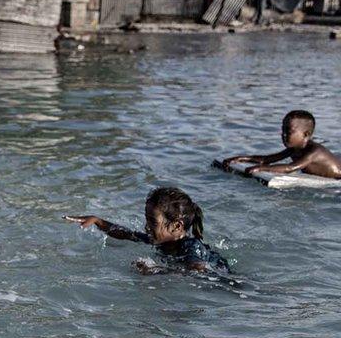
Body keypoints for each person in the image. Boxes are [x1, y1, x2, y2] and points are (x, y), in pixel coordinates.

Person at [66, 187, 229, 273]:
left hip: (224, 285)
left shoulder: (191, 246)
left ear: (177, 226)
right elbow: (127, 234)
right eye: (147, 219)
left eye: (152, 221)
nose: (146, 226)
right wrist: (98, 221)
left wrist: (157, 270)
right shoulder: (162, 241)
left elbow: (197, 272)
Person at [221, 110, 341, 179]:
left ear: (306, 134)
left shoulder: (314, 152)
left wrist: (261, 169)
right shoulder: (294, 149)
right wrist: (240, 159)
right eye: (282, 130)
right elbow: (266, 159)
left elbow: (290, 168)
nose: (283, 135)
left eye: (288, 132)